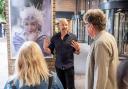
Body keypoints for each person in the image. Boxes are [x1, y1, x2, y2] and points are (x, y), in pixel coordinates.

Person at [83, 9, 119, 89]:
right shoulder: (109, 37)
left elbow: (100, 75)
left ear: (91, 26)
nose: (85, 28)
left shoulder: (100, 43)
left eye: (86, 25)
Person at [44, 18, 80, 89]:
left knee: (71, 87)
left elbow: (77, 52)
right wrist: (45, 47)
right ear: (59, 26)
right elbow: (50, 50)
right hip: (59, 66)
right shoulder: (55, 37)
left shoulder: (73, 37)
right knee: (60, 86)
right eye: (62, 25)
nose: (64, 27)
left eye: (66, 25)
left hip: (69, 67)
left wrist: (77, 49)